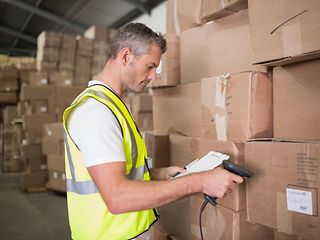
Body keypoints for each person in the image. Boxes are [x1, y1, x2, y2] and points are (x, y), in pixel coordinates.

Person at [62, 23, 243, 240]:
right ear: (126, 56)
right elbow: (118, 197)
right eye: (150, 66)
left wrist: (158, 174)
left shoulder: (112, 105)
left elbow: (118, 172)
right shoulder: (96, 112)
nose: (153, 76)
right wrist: (201, 181)